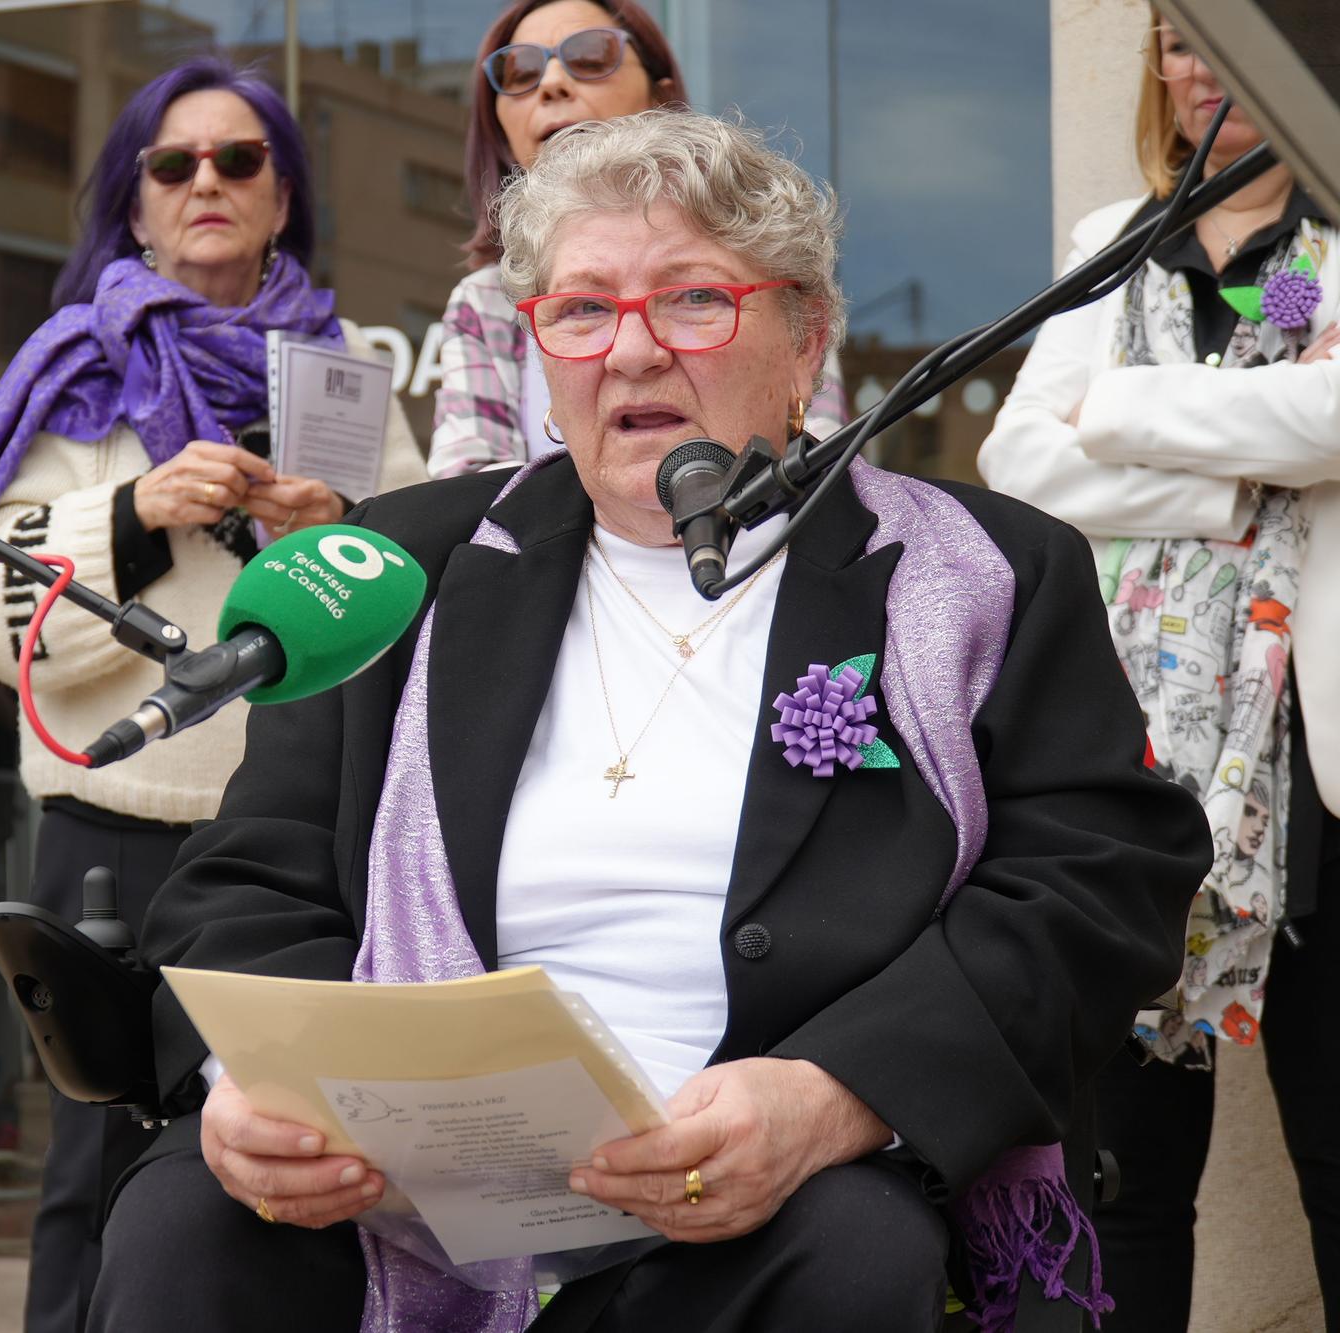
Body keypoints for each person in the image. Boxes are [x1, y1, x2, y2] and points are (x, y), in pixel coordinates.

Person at [89, 109, 1209, 1333]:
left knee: (847, 1252)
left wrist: (831, 1096)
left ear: (803, 341)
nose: (628, 353)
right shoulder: (402, 563)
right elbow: (248, 880)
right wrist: (256, 1086)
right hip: (401, 1191)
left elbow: (1098, 882)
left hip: (771, 1189)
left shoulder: (981, 573)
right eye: (578, 311)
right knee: (182, 1220)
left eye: (689, 301)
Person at [0, 58, 429, 1333]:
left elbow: (429, 593)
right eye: (173, 163)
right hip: (109, 832)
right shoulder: (69, 375)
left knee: (295, 1160)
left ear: (281, 198)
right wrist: (134, 518)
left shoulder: (347, 375)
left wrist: (342, 523)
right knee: (86, 1175)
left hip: (300, 844)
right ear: (133, 205)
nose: (206, 180)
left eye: (239, 160)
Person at [978, 13, 1340, 1328]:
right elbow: (1022, 462)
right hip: (1136, 752)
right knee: (1123, 1181)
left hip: (1312, 759)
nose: (1203, 72)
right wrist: (1263, 453)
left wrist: (1121, 410)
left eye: (1228, 41)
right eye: (1179, 45)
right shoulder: (1108, 246)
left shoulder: (1334, 235)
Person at [428, 0, 846, 480]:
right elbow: (467, 485)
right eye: (519, 72)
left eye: (590, 58)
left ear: (660, 97)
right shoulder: (484, 299)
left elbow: (820, 455)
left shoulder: (763, 264)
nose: (550, 84)